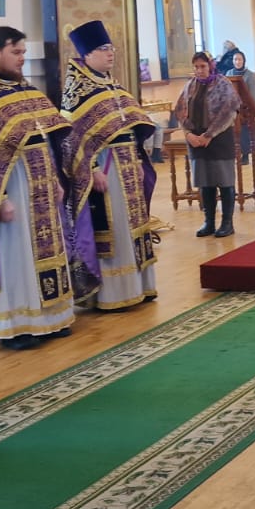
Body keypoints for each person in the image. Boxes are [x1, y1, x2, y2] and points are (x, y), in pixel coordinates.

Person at [0, 27, 95, 350]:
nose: (22, 59)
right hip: (13, 188)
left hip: (41, 185)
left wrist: (56, 180)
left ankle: (52, 318)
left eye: (23, 52)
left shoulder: (26, 91)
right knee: (17, 256)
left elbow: (46, 139)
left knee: (47, 252)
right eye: (16, 52)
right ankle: (18, 326)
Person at [61, 20, 160, 309]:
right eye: (103, 48)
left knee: (132, 226)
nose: (110, 53)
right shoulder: (76, 91)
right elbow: (71, 138)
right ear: (87, 54)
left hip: (127, 164)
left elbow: (129, 127)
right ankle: (115, 293)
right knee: (114, 229)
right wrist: (91, 169)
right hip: (105, 168)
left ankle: (140, 285)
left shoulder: (111, 84)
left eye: (111, 48)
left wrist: (137, 158)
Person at [174, 51, 239, 238]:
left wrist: (209, 134)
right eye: (196, 67)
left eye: (202, 66)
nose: (199, 70)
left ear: (210, 66)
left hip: (218, 139)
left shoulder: (223, 84)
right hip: (196, 140)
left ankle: (227, 223)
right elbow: (180, 111)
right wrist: (188, 134)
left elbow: (229, 112)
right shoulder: (190, 86)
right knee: (205, 182)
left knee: (224, 181)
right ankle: (209, 222)